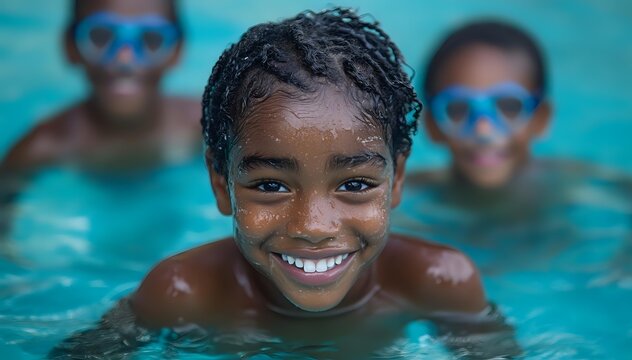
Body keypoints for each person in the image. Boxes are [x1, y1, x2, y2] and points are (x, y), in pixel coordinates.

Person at [50, 9, 518, 359]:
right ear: (220, 183)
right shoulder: (184, 292)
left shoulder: (437, 283)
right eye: (272, 186)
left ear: (396, 179)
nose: (313, 226)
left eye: (354, 185)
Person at [395, 20, 632, 275]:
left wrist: (629, 263)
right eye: (458, 109)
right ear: (433, 126)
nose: (484, 131)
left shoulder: (568, 182)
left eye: (509, 107)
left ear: (540, 118)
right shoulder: (403, 196)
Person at [0, 0, 202, 248]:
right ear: (70, 47)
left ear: (177, 51)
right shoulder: (42, 150)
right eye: (101, 36)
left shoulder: (202, 126)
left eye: (151, 39)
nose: (124, 58)